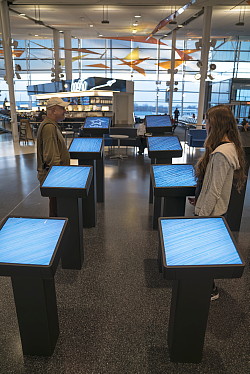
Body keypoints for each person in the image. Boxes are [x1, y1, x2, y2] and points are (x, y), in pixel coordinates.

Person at [189, 105, 246, 300]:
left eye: (207, 121)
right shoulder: (227, 148)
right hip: (212, 211)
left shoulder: (222, 153)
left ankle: (209, 290)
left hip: (211, 214)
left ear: (216, 124)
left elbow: (214, 189)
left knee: (204, 254)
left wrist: (201, 216)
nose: (205, 125)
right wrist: (199, 198)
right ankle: (207, 287)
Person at [36, 97, 70, 217]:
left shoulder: (51, 125)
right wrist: (60, 177)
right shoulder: (49, 127)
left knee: (56, 205)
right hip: (55, 176)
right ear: (53, 110)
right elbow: (51, 156)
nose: (65, 111)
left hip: (55, 175)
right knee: (56, 207)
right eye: (62, 108)